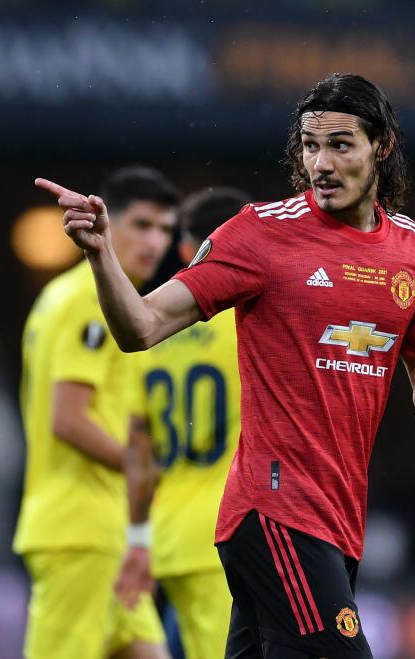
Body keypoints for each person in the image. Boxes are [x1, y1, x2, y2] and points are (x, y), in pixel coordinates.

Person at [36, 73, 415, 659]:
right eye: (309, 146)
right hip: (274, 510)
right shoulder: (259, 235)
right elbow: (142, 326)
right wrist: (102, 255)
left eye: (340, 144)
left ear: (382, 146)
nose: (320, 163)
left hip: (339, 520)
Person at [14, 166, 180, 659]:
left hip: (104, 531)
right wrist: (139, 465)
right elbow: (67, 418)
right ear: (112, 225)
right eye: (143, 226)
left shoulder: (63, 294)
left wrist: (137, 533)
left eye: (166, 230)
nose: (156, 242)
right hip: (77, 530)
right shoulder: (92, 299)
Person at [115, 187, 253, 659]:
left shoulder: (150, 328)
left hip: (171, 535)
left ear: (182, 249)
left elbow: (140, 447)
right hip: (233, 529)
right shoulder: (248, 321)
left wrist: (137, 536)